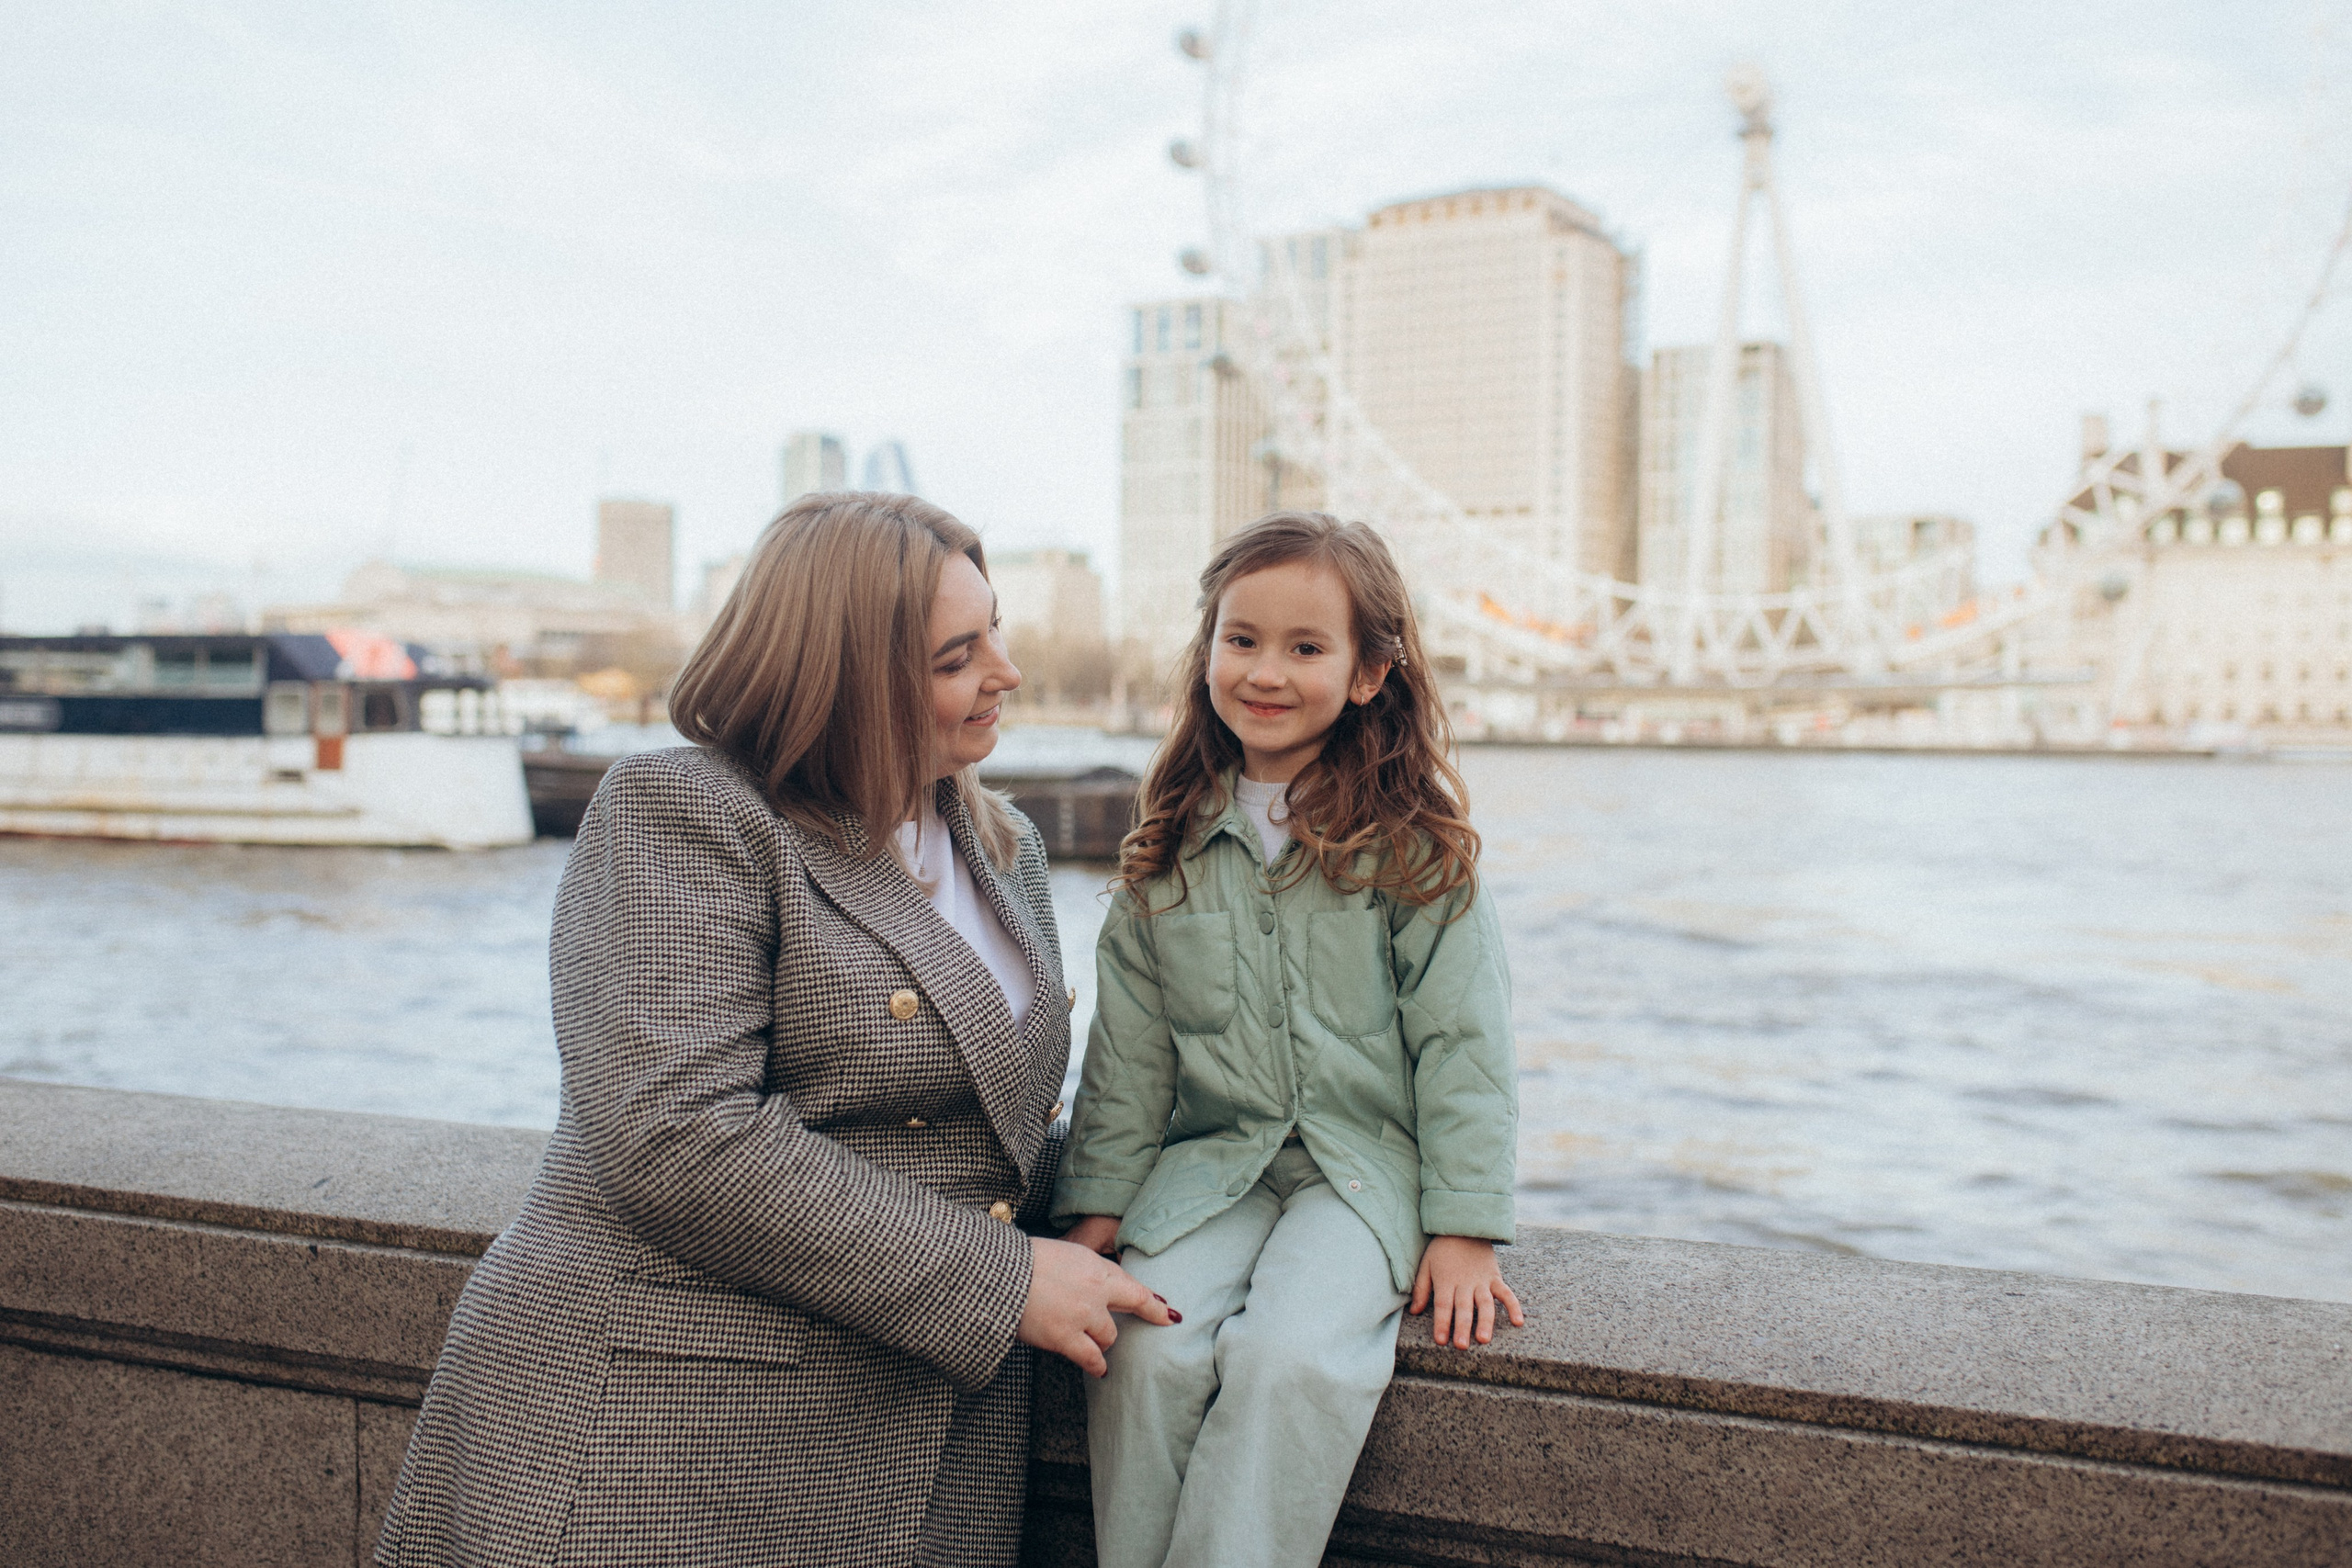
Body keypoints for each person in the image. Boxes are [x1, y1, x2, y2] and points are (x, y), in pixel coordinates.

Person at [375, 492, 1172, 1568]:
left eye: (998, 633)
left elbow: (999, 1127)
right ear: (845, 675)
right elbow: (677, 1134)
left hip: (916, 1449)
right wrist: (1004, 1281)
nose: (1006, 673)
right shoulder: (686, 812)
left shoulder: (1002, 840)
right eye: (956, 655)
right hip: (664, 1446)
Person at [1052, 511, 1522, 1568]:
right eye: (1241, 639)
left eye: (1306, 648)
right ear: (1208, 650)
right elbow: (1130, 1060)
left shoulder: (1415, 851)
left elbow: (1463, 1046)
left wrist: (1466, 1227)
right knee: (1145, 1350)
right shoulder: (1164, 855)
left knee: (1288, 1361)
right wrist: (1097, 1208)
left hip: (1361, 1176)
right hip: (1215, 1165)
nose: (1265, 671)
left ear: (1368, 673)